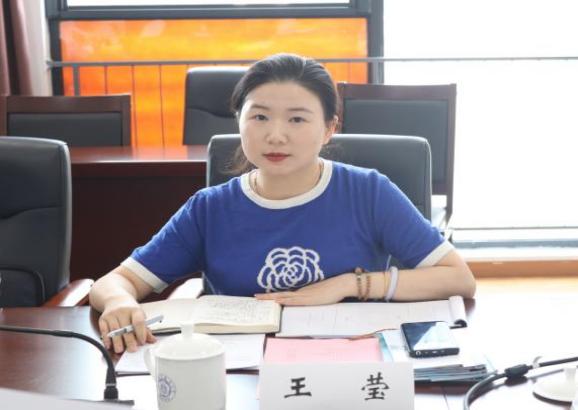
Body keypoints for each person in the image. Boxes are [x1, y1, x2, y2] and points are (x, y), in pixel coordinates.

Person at [90, 53, 476, 353]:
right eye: (259, 117)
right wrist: (119, 301)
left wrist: (350, 284)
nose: (276, 135)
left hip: (350, 361)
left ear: (329, 129)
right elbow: (114, 282)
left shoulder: (369, 192)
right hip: (241, 370)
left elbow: (459, 278)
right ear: (239, 121)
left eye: (297, 120)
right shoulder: (209, 209)